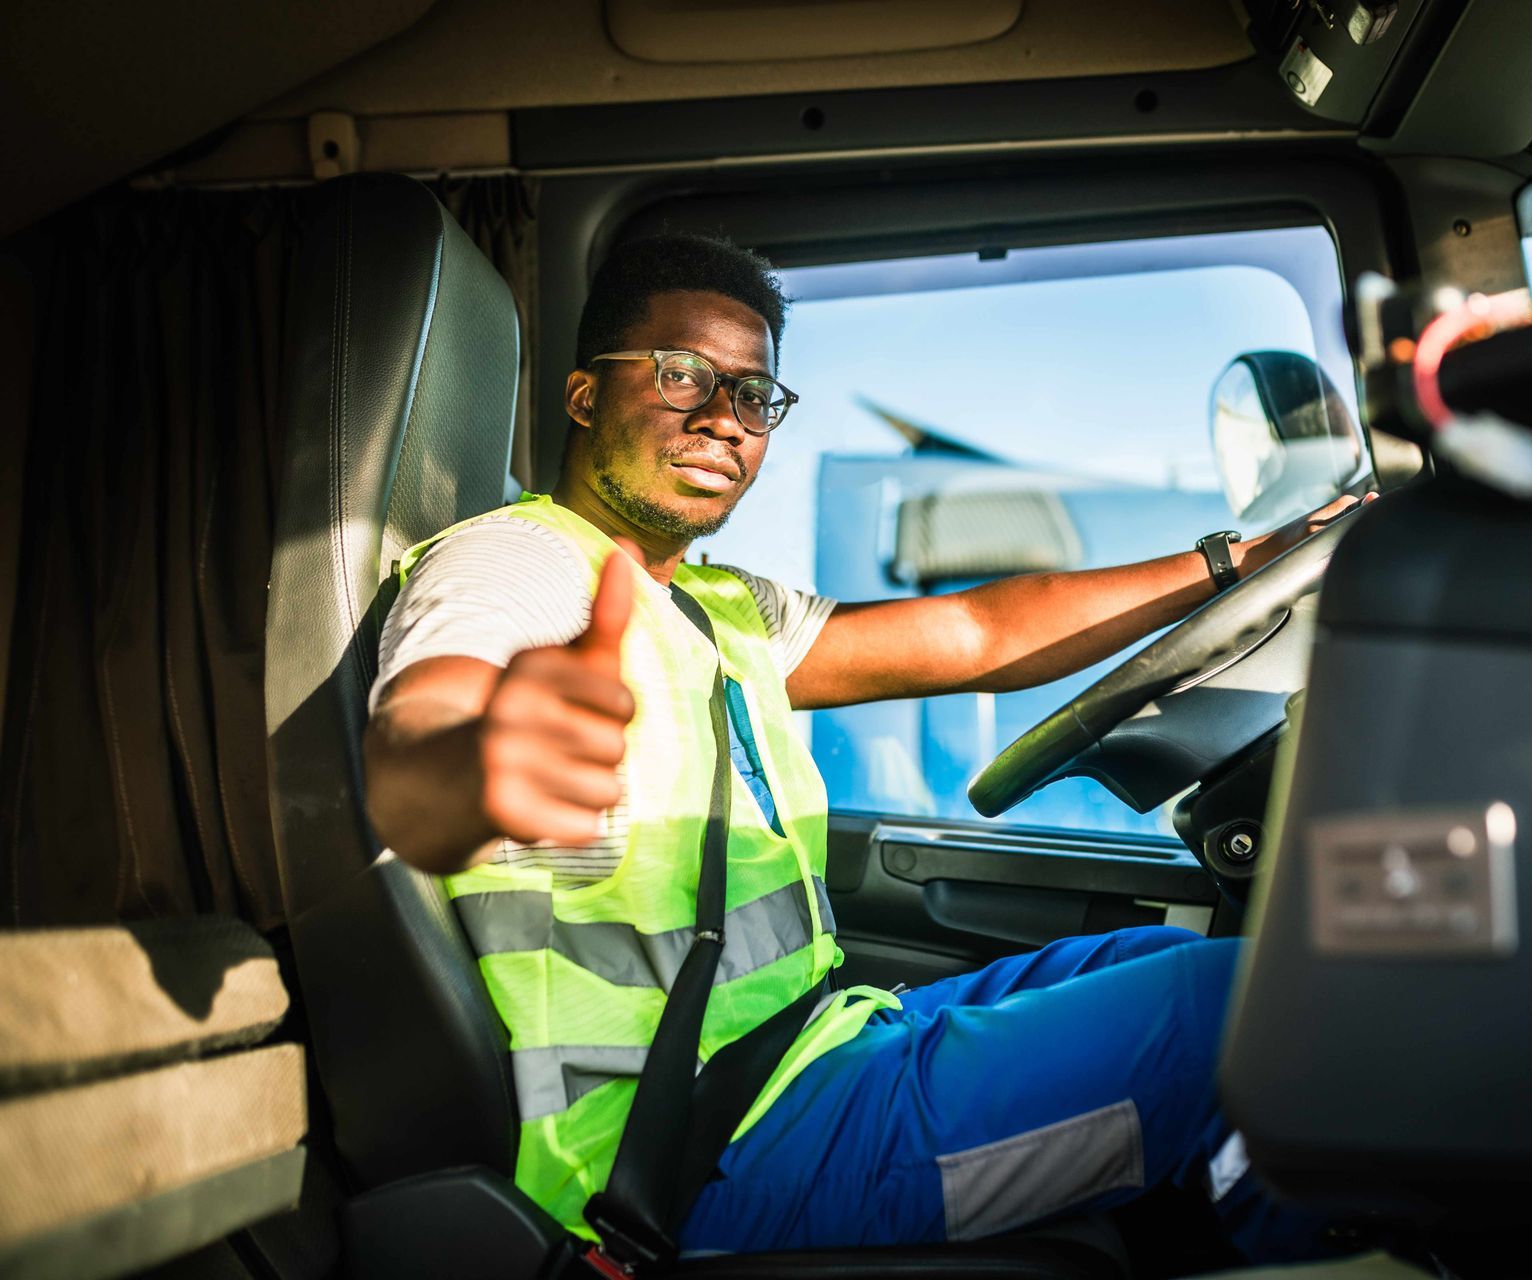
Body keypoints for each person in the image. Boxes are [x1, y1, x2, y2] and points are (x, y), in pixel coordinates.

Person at [362, 233, 1360, 1261]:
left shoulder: (717, 604)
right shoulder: (513, 560)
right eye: (681, 375)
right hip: (673, 1148)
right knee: (1244, 1009)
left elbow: (981, 633)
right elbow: (421, 732)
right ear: (583, 396)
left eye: (754, 394)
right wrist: (479, 763)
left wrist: (1236, 560)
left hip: (799, 1050)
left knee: (1176, 957)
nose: (722, 416)